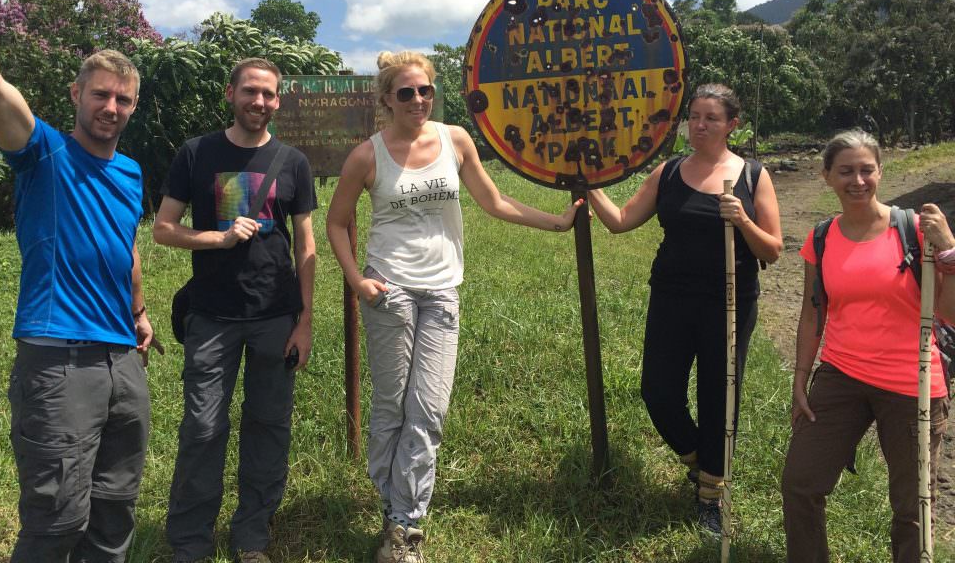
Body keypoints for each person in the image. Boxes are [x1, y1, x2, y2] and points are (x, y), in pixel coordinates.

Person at [0, 0, 154, 562]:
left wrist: (138, 308)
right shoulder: (45, 153)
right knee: (57, 519)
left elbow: (124, 243)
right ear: (76, 95)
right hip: (59, 359)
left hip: (122, 358)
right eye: (100, 94)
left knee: (114, 510)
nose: (111, 107)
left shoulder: (130, 173)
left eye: (123, 99)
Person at [325, 51, 581, 563]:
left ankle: (404, 526)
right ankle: (394, 505)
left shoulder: (454, 139)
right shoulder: (367, 155)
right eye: (406, 93)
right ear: (386, 100)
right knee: (391, 407)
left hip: (442, 291)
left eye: (425, 91)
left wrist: (555, 222)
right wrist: (357, 281)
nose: (418, 100)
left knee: (429, 409)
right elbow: (336, 221)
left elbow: (494, 201)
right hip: (388, 290)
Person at [588, 83, 783, 534]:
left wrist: (742, 219)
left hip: (730, 302)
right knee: (657, 391)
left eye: (711, 118)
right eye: (694, 116)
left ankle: (712, 493)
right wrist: (588, 185)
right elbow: (620, 222)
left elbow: (772, 251)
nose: (699, 125)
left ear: (732, 125)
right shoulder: (670, 172)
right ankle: (700, 459)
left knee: (719, 395)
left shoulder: (753, 176)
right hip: (672, 297)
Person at [153, 58, 316, 563]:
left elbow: (306, 244)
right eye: (250, 92)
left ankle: (251, 537)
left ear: (278, 100)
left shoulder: (292, 161)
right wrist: (217, 238)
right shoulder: (196, 153)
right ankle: (190, 542)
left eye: (268, 94)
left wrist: (306, 321)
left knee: (269, 426)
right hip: (212, 316)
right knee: (203, 428)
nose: (259, 102)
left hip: (275, 315)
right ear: (230, 93)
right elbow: (163, 228)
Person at [781, 129, 955, 563]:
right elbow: (813, 313)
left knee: (912, 506)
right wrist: (801, 379)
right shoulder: (820, 238)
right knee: (801, 483)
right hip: (841, 375)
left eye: (866, 170)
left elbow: (949, 313)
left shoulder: (915, 230)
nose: (857, 181)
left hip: (911, 380)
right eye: (845, 172)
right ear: (826, 177)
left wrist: (948, 249)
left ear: (880, 171)